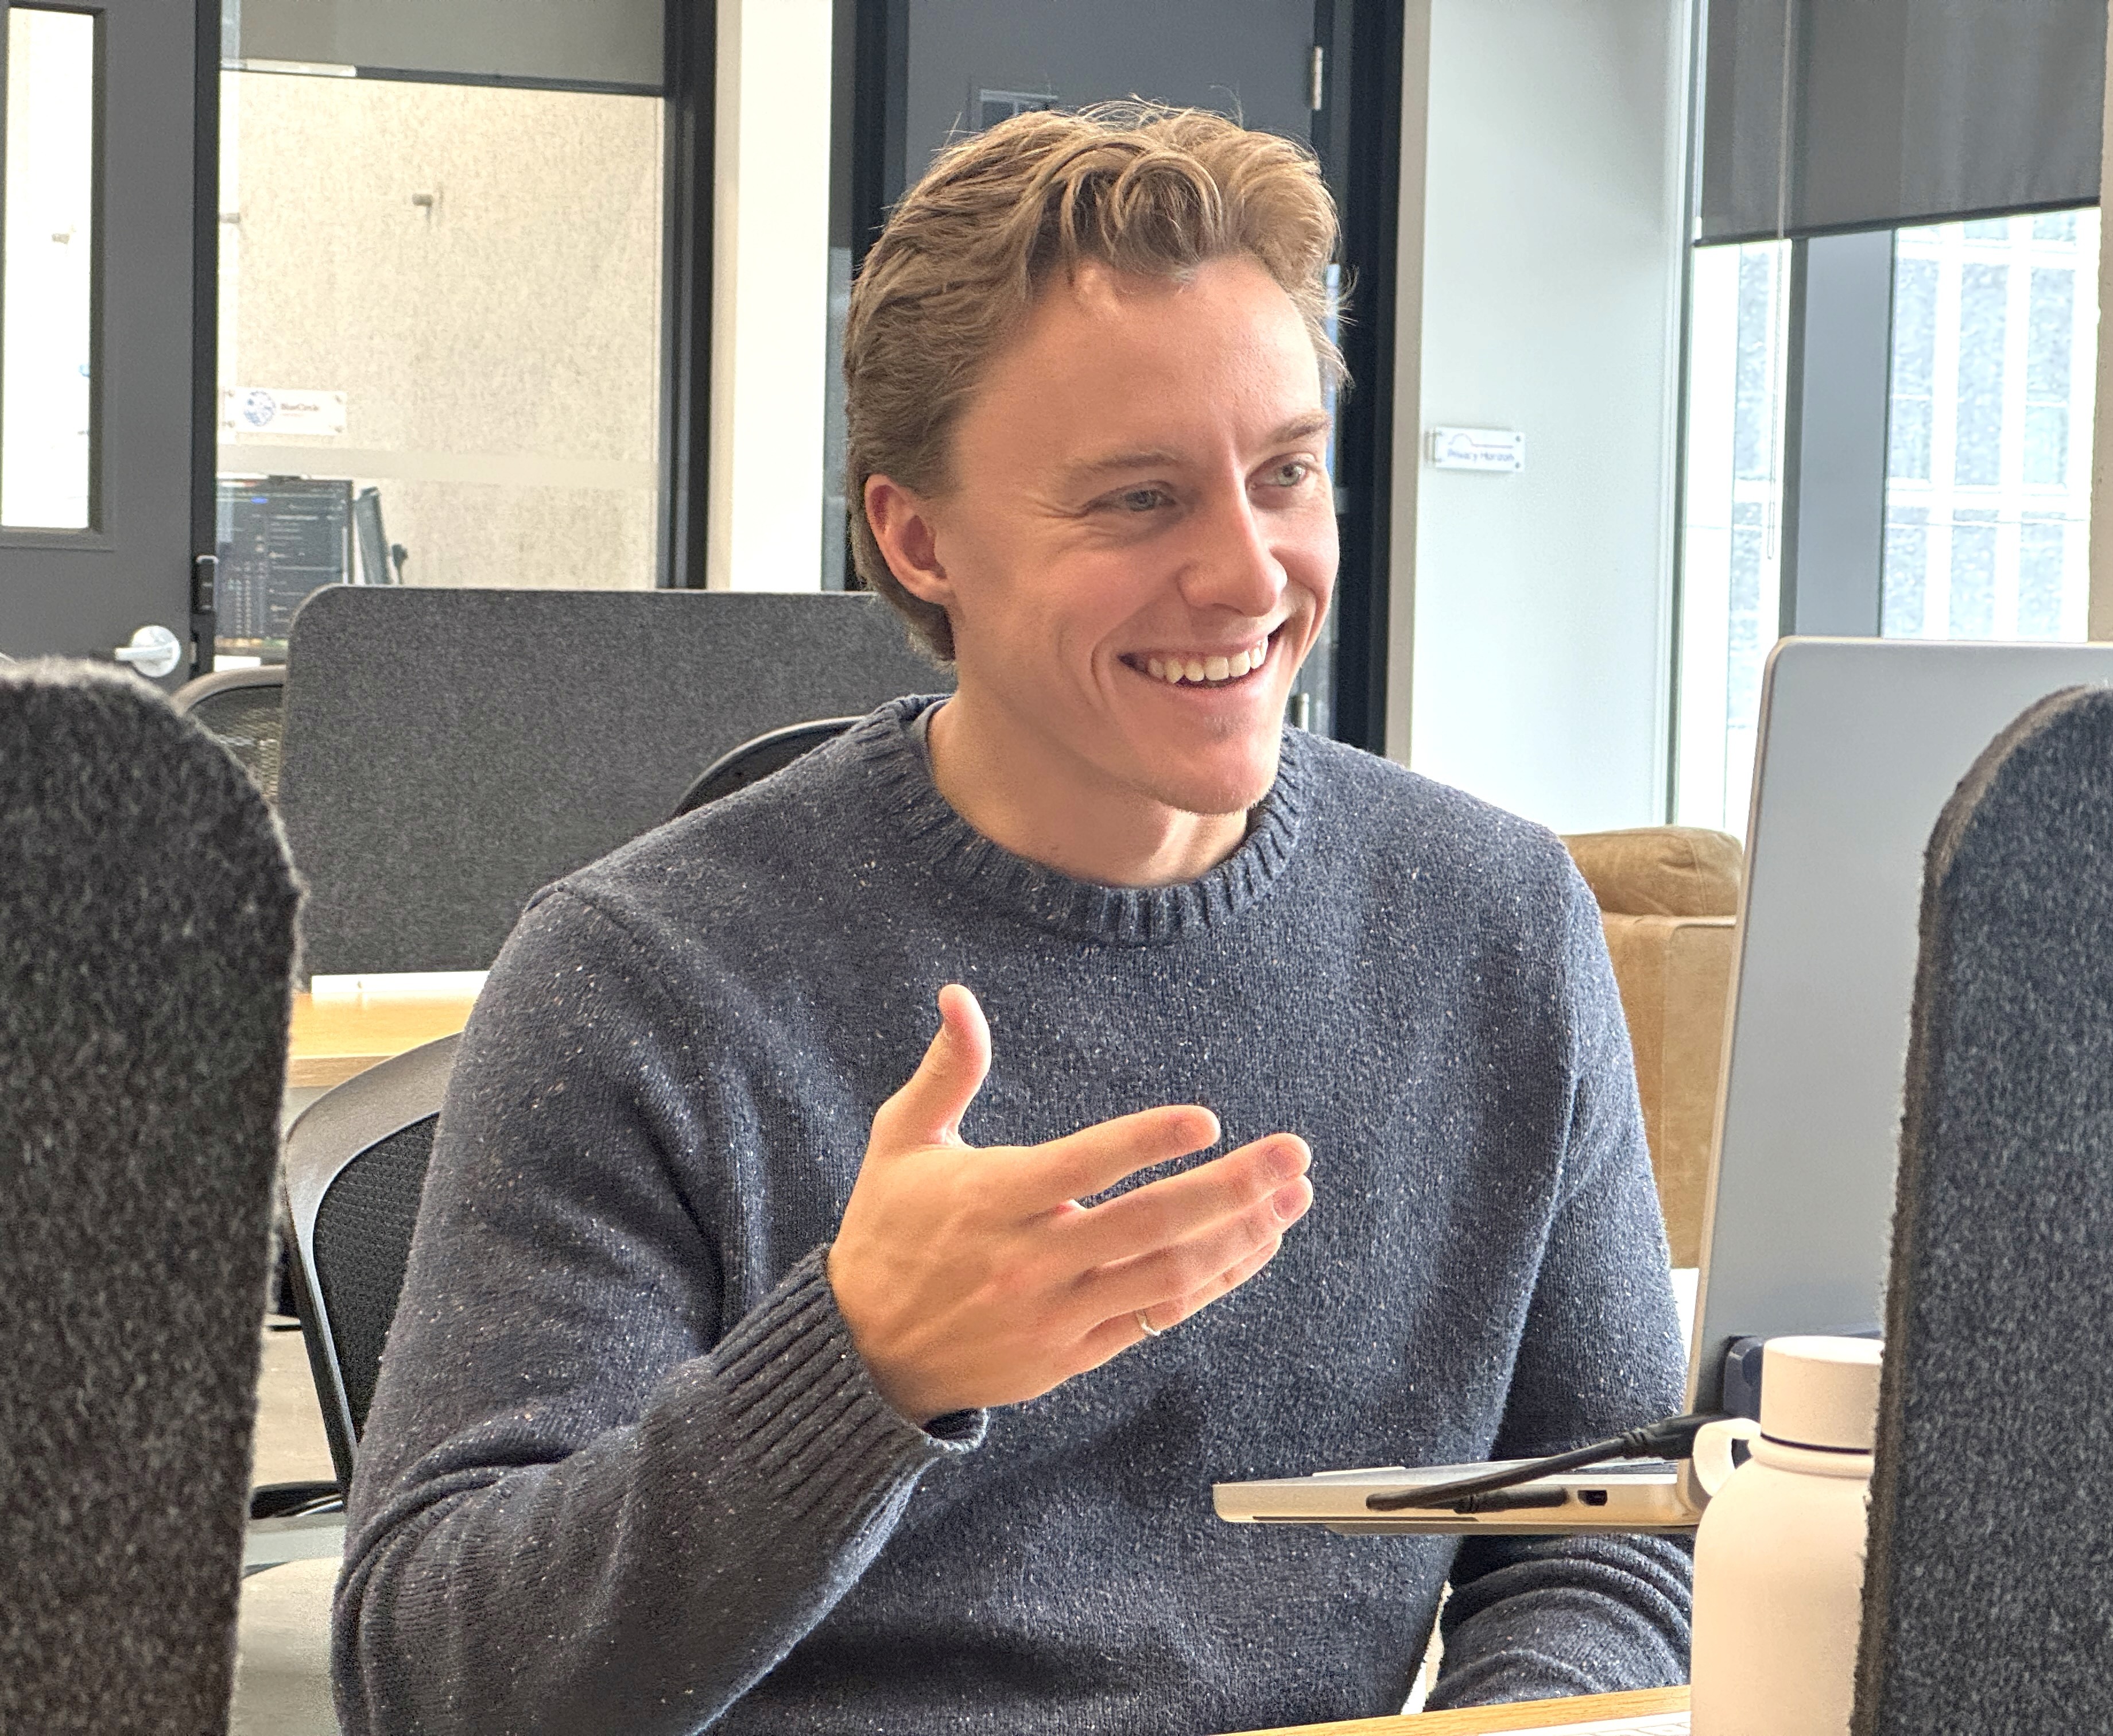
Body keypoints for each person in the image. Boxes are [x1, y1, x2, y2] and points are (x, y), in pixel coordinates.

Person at [335, 104, 1689, 1735]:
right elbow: (434, 1682)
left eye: (1284, 474)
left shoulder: (1495, 927)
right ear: (919, 539)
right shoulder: (642, 979)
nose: (1251, 575)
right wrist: (859, 1369)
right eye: (1139, 500)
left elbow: (1604, 1532)